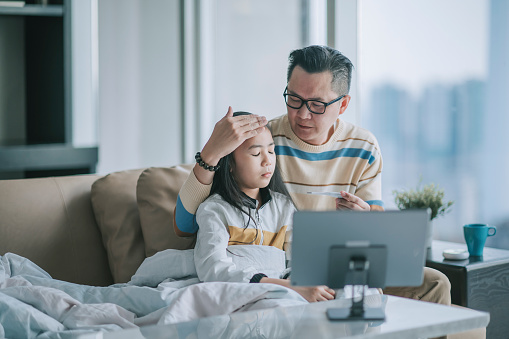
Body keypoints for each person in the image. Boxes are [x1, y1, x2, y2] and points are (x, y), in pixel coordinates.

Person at [174, 45, 451, 307]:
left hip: (342, 266)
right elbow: (185, 226)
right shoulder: (266, 141)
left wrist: (364, 219)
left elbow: (374, 239)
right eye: (294, 99)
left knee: (436, 283)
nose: (302, 114)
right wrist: (210, 153)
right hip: (286, 270)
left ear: (343, 105)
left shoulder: (364, 148)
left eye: (317, 104)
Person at [194, 111, 336, 302]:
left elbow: (298, 261)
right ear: (230, 164)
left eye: (271, 151)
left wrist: (299, 283)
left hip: (286, 292)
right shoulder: (215, 210)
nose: (267, 161)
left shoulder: (284, 207)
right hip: (237, 294)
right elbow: (212, 268)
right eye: (255, 153)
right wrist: (287, 287)